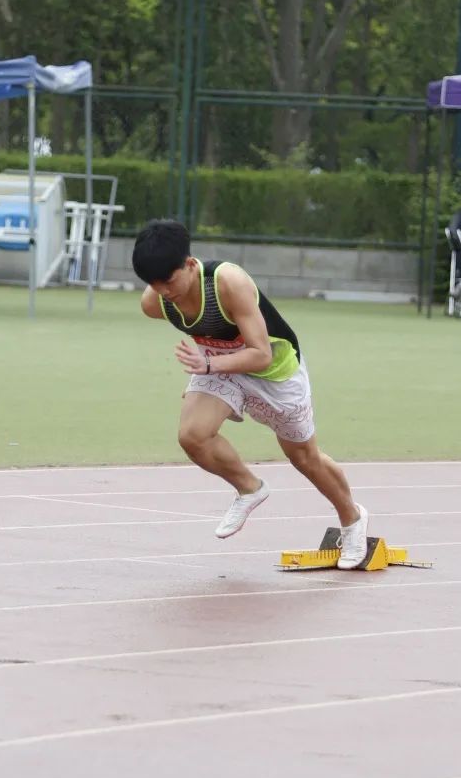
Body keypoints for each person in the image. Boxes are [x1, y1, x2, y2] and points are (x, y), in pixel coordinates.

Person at [132, 218, 369, 565]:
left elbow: (261, 354)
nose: (164, 292)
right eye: (154, 285)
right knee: (193, 435)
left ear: (190, 264)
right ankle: (249, 488)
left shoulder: (228, 282)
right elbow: (205, 332)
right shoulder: (154, 302)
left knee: (304, 457)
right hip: (220, 367)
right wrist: (208, 365)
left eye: (169, 281)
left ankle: (352, 519)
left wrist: (209, 364)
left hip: (274, 371)